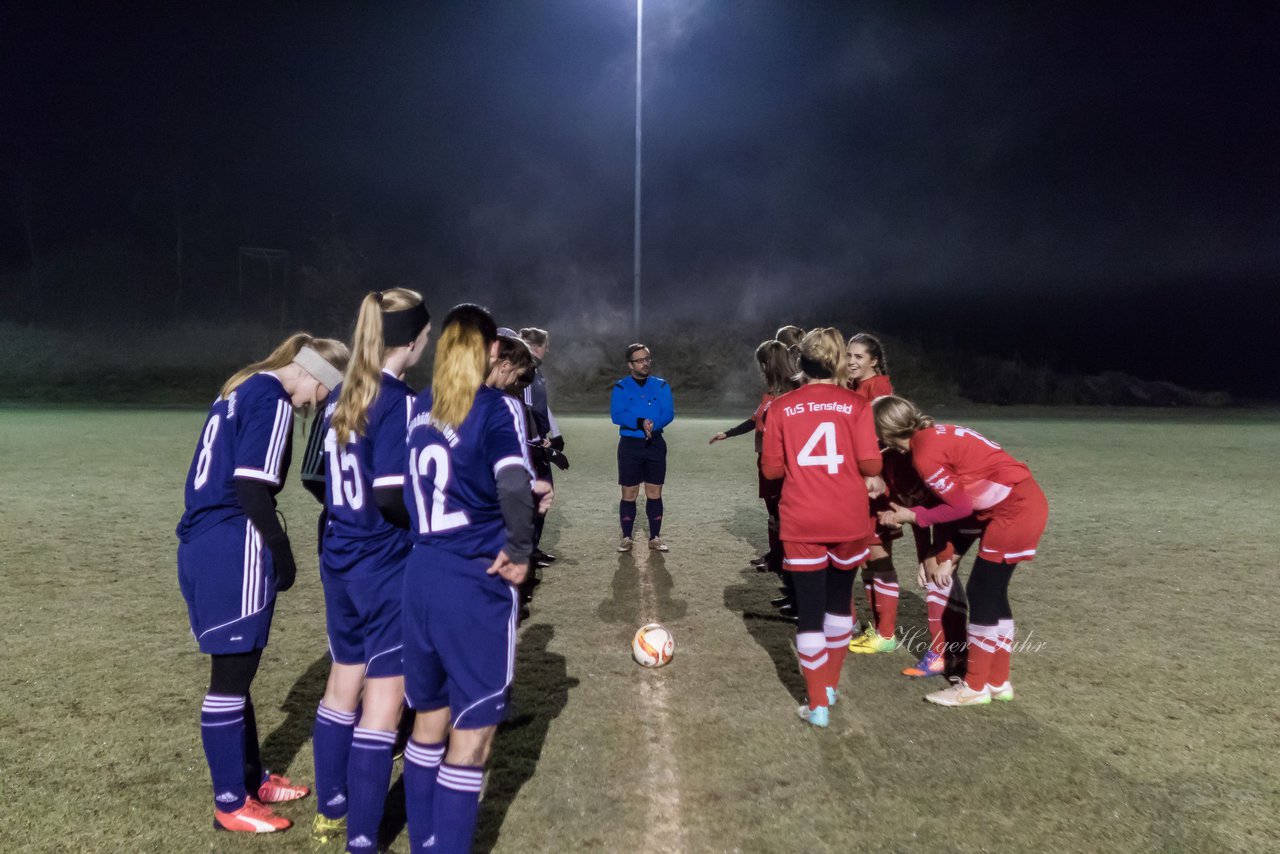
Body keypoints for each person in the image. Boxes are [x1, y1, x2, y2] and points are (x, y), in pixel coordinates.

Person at [176, 332, 349, 833]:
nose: (318, 407)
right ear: (317, 375)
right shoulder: (272, 398)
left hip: (203, 538)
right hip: (234, 540)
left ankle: (251, 778)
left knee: (236, 671)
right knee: (229, 683)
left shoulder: (243, 386)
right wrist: (281, 550)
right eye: (326, 394)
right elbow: (251, 486)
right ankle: (231, 802)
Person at [399, 304, 553, 853]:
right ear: (491, 350)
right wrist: (518, 547)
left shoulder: (418, 407)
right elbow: (512, 483)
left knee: (426, 727)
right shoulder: (497, 407)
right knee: (472, 739)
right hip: (472, 579)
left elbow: (423, 486)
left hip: (419, 578)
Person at [307, 289, 431, 848]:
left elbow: (320, 479)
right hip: (384, 563)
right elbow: (389, 496)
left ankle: (330, 810)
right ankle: (362, 837)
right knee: (382, 702)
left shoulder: (341, 391)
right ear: (413, 339)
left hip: (340, 556)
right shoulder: (399, 398)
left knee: (342, 682)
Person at [874, 396, 1049, 707]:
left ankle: (974, 686)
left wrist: (914, 516)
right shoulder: (929, 438)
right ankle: (997, 682)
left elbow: (960, 506)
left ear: (885, 432)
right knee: (993, 595)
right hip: (1016, 504)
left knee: (982, 594)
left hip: (1013, 509)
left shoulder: (924, 454)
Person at [760, 328, 882, 728]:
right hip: (849, 518)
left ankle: (817, 706)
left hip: (803, 519)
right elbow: (872, 466)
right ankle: (828, 685)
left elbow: (772, 470)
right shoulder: (857, 404)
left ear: (801, 363)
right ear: (838, 362)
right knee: (839, 603)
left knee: (810, 611)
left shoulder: (780, 407)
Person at [709, 340, 797, 595]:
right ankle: (776, 557)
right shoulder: (772, 393)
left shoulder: (789, 393)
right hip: (765, 459)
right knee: (773, 514)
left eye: (761, 364)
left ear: (768, 364)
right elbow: (754, 420)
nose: (760, 369)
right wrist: (728, 433)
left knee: (783, 516)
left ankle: (786, 566)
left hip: (780, 463)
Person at [844, 332, 902, 654]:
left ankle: (886, 633)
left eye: (859, 357)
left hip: (874, 483)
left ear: (874, 361)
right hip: (863, 481)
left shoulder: (877, 387)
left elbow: (880, 435)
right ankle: (878, 628)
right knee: (869, 556)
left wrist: (874, 475)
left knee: (877, 555)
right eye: (848, 356)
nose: (852, 361)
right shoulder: (858, 387)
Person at [610, 343, 674, 552]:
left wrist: (654, 425)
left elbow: (668, 413)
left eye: (647, 359)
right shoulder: (620, 387)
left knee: (654, 492)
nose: (645, 363)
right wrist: (640, 423)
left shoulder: (661, 385)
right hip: (630, 445)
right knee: (629, 493)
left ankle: (655, 537)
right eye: (639, 360)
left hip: (655, 444)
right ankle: (627, 537)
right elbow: (617, 415)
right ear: (630, 365)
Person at [519, 327, 566, 566]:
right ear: (539, 346)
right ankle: (525, 554)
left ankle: (532, 550)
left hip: (539, 441)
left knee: (542, 497)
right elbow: (524, 410)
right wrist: (540, 442)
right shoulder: (526, 370)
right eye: (546, 345)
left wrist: (555, 434)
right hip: (531, 446)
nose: (548, 349)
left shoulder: (536, 371)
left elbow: (541, 406)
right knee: (533, 500)